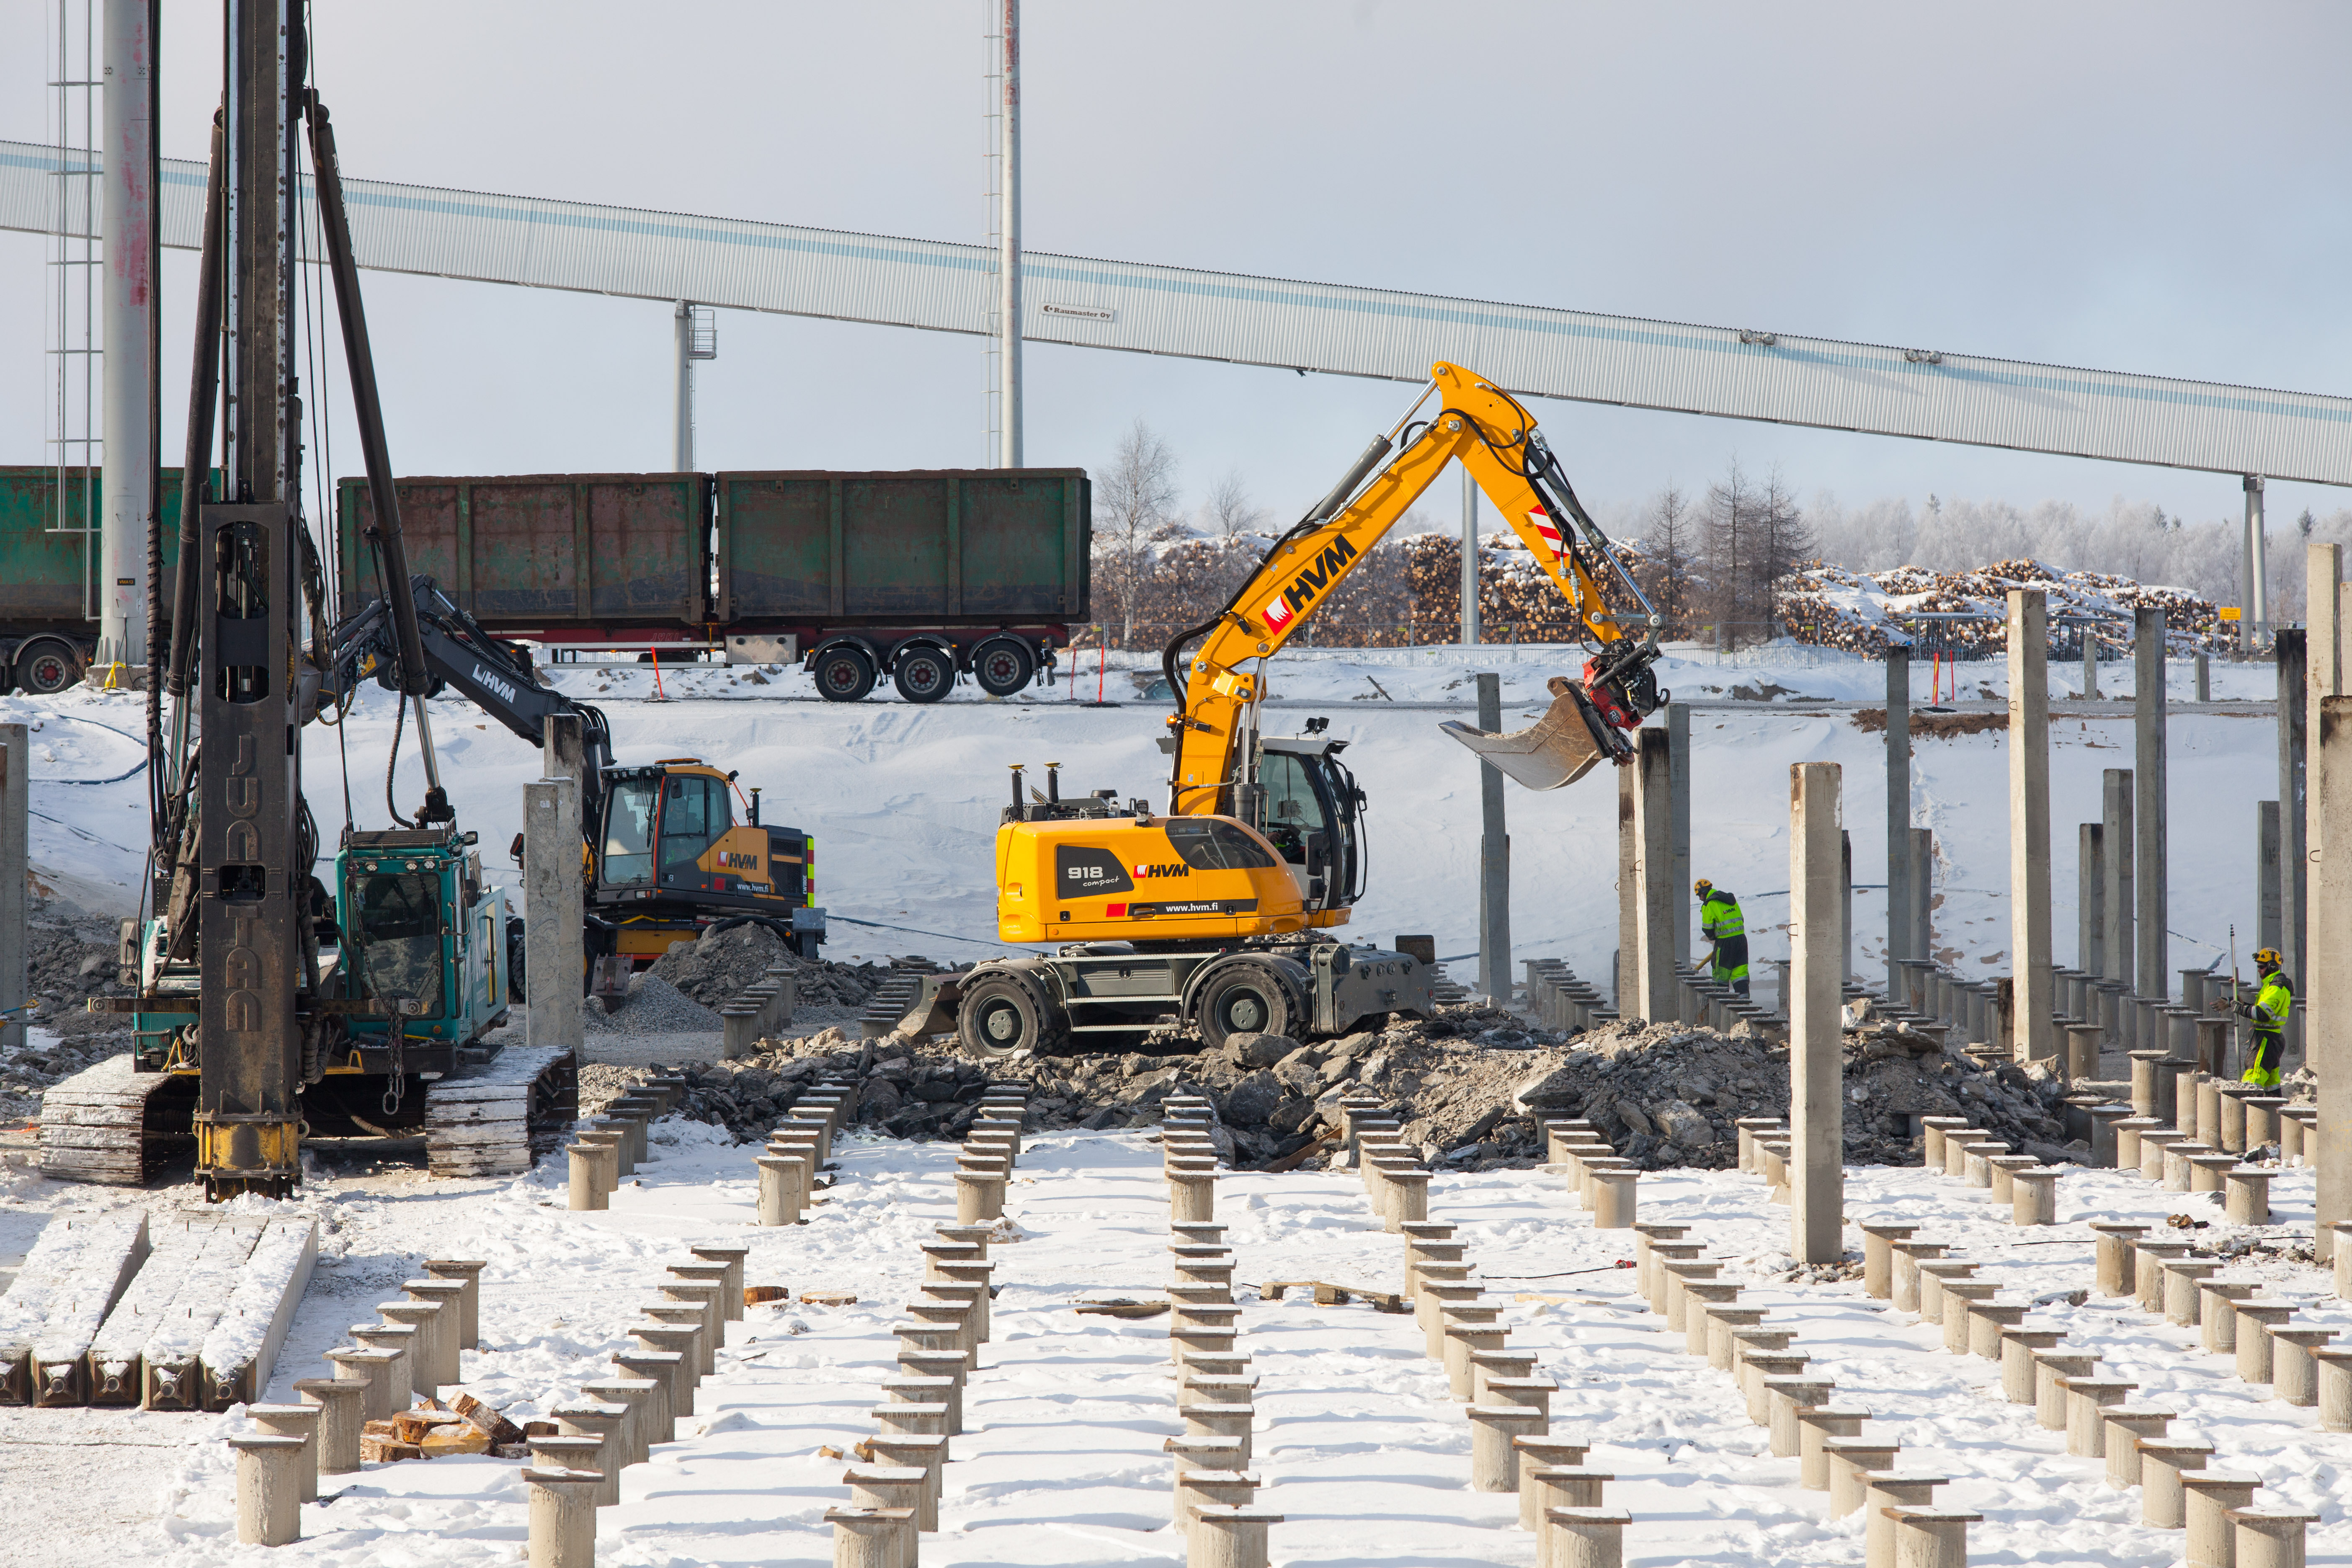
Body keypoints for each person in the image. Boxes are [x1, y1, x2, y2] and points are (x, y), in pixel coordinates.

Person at [2234, 947, 2291, 1089]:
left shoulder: (2276, 988)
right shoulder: (2271, 985)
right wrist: (2239, 1004)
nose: (2259, 970)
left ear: (2272, 966)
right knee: (2271, 1084)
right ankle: (2273, 1111)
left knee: (2253, 1081)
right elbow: (2261, 1009)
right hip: (2271, 1038)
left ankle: (2250, 1111)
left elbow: (2262, 1015)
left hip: (2265, 1040)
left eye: (2261, 966)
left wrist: (2240, 1009)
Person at [1696, 877, 1749, 998]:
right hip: (1741, 940)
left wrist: (1715, 937)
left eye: (1700, 895)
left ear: (1704, 891)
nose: (1700, 898)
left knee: (1721, 973)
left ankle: (1721, 1003)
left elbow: (1708, 929)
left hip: (1725, 943)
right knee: (1740, 972)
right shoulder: (1731, 900)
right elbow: (1741, 919)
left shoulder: (1709, 904)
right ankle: (1744, 1000)